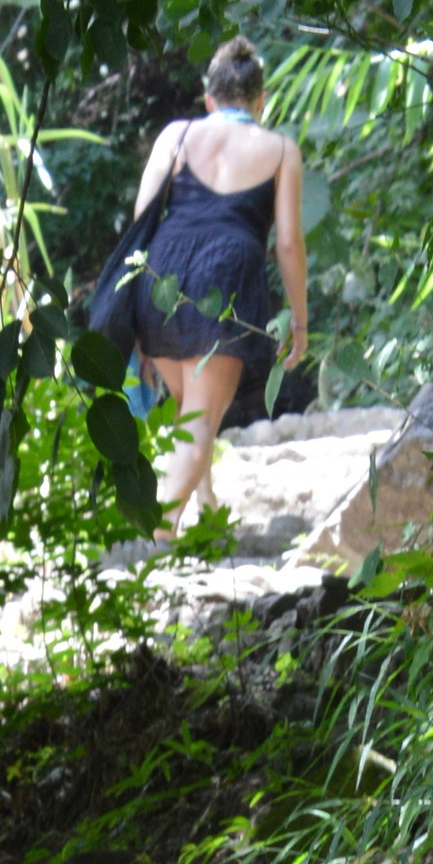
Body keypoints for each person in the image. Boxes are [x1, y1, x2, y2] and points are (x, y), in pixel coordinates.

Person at [128, 40, 307, 532]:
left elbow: (141, 218)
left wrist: (129, 307)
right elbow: (288, 244)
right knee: (202, 423)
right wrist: (299, 319)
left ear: (209, 99)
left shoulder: (176, 135)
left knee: (193, 413)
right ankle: (155, 537)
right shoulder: (281, 150)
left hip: (160, 278)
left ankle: (207, 517)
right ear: (260, 100)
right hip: (224, 278)